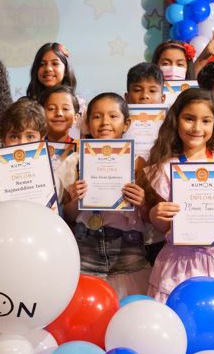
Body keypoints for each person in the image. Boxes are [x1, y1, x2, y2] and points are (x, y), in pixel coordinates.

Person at [145, 88, 214, 302]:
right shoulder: (165, 168)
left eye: (206, 121)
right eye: (189, 119)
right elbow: (164, 227)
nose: (197, 128)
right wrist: (155, 215)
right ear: (176, 120)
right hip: (177, 264)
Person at [56, 93, 151, 298]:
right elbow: (68, 217)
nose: (105, 122)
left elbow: (147, 218)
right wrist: (75, 202)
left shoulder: (138, 163)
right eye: (97, 117)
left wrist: (142, 203)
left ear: (126, 124)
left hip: (127, 255)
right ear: (88, 123)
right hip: (86, 253)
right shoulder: (73, 162)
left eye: (113, 116)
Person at [123, 63, 167, 266]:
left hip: (157, 235)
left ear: (163, 98)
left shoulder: (170, 141)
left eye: (152, 90)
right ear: (126, 97)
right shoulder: (115, 136)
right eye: (137, 90)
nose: (144, 97)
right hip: (123, 231)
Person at [0, 98, 48, 205]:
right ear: (4, 140)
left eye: (30, 136)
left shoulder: (50, 177)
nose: (22, 143)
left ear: (42, 139)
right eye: (14, 137)